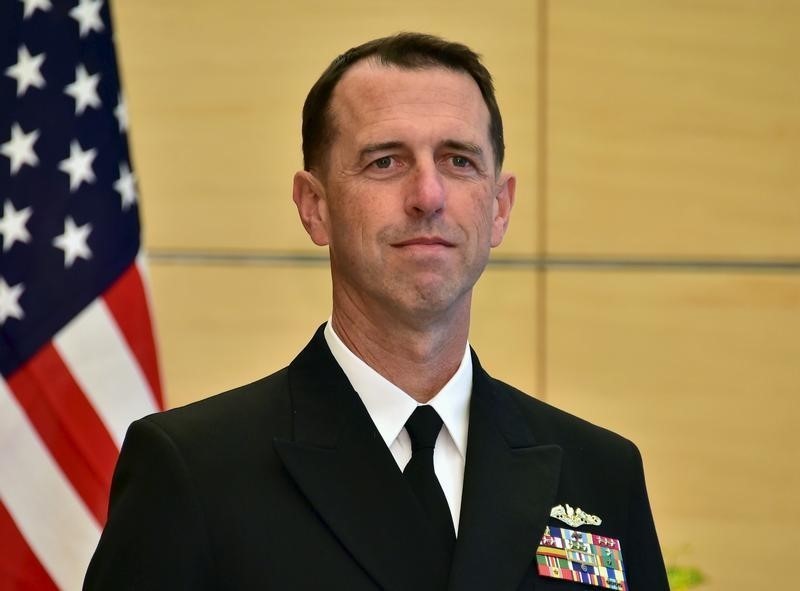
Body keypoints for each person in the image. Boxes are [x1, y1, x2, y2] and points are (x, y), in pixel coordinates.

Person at [84, 33, 669, 590]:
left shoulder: (600, 474)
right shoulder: (194, 473)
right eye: (386, 161)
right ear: (314, 207)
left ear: (499, 207)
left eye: (459, 160)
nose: (428, 195)